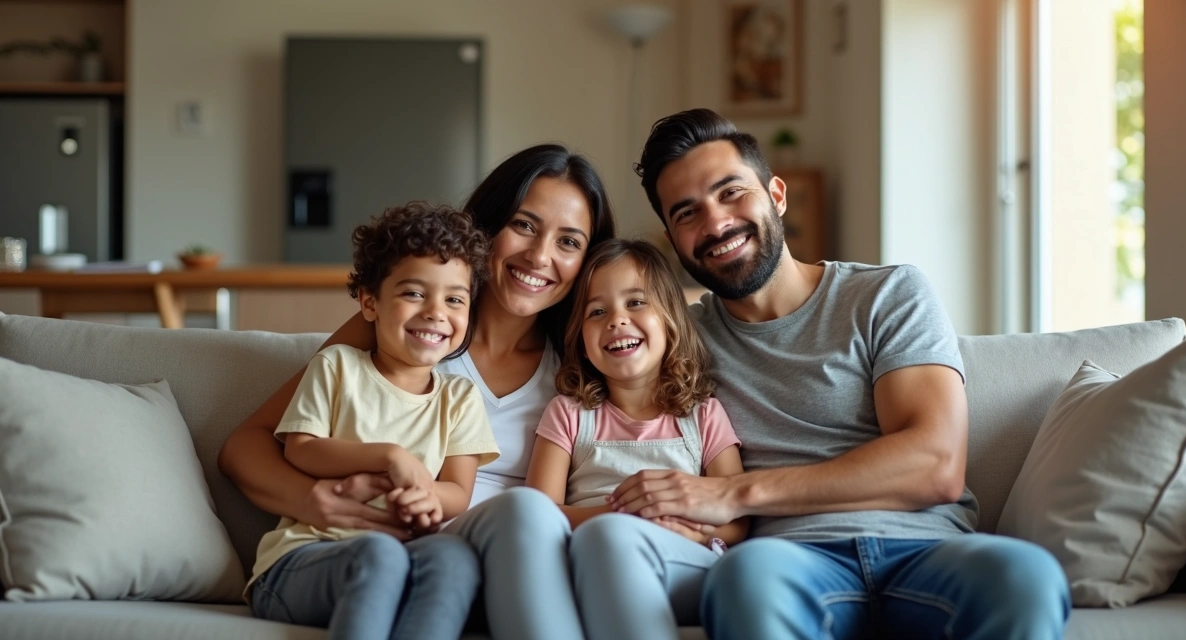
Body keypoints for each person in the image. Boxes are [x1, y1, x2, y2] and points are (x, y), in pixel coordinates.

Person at [606, 108, 1071, 639]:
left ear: (776, 195)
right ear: (671, 236)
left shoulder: (887, 295)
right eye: (686, 213)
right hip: (785, 564)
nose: (715, 223)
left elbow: (935, 464)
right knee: (743, 582)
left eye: (730, 192)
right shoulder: (675, 341)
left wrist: (736, 493)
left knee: (1027, 577)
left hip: (928, 551)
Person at [219, 144, 616, 640]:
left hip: (492, 562)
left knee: (519, 516)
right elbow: (244, 446)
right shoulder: (407, 330)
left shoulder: (586, 361)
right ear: (486, 229)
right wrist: (314, 502)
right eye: (524, 225)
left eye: (569, 242)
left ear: (587, 262)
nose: (540, 256)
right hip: (382, 554)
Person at [246, 203, 499, 639]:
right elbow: (300, 448)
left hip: (401, 557)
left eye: (454, 299)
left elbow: (458, 491)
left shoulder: (459, 398)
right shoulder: (336, 366)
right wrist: (389, 456)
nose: (436, 312)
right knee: (379, 555)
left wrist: (425, 498)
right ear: (369, 303)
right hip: (303, 559)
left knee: (454, 559)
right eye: (414, 293)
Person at [525, 239, 748, 640]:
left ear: (670, 320)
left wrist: (696, 534)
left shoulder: (703, 415)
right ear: (580, 337)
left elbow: (738, 520)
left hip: (682, 559)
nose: (616, 320)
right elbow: (537, 514)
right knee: (606, 543)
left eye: (636, 303)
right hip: (593, 558)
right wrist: (620, 519)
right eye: (597, 311)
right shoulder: (570, 413)